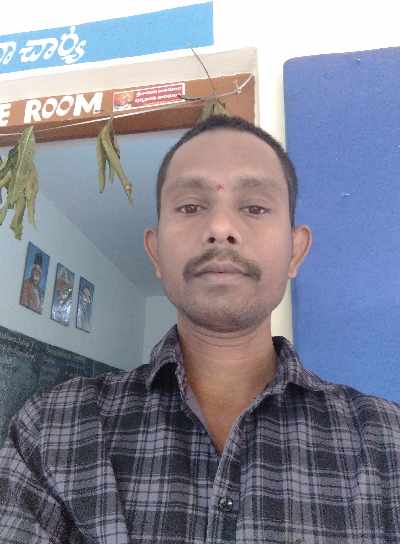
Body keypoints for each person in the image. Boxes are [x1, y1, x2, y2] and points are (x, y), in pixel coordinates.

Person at [0, 115, 399, 543]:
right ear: (156, 252)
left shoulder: (387, 442)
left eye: (254, 207)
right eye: (190, 207)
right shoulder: (51, 429)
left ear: (295, 252)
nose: (221, 229)